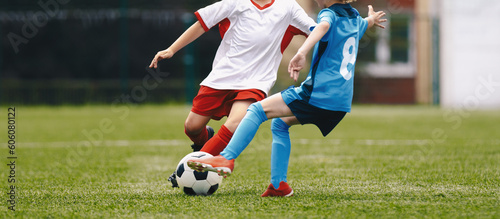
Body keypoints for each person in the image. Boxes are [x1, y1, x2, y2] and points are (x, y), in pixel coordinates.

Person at [187, 0, 386, 197]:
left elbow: (323, 26)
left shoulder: (329, 15)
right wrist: (371, 19)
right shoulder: (354, 20)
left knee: (256, 110)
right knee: (280, 125)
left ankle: (226, 158)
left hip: (317, 94)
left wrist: (301, 52)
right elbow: (363, 24)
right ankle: (278, 185)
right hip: (341, 103)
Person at [149, 0, 316, 187]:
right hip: (222, 77)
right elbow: (203, 22)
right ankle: (205, 143)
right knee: (192, 127)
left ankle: (190, 168)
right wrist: (172, 49)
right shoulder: (235, 2)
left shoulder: (288, 7)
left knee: (234, 123)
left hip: (256, 81)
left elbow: (317, 31)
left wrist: (302, 52)